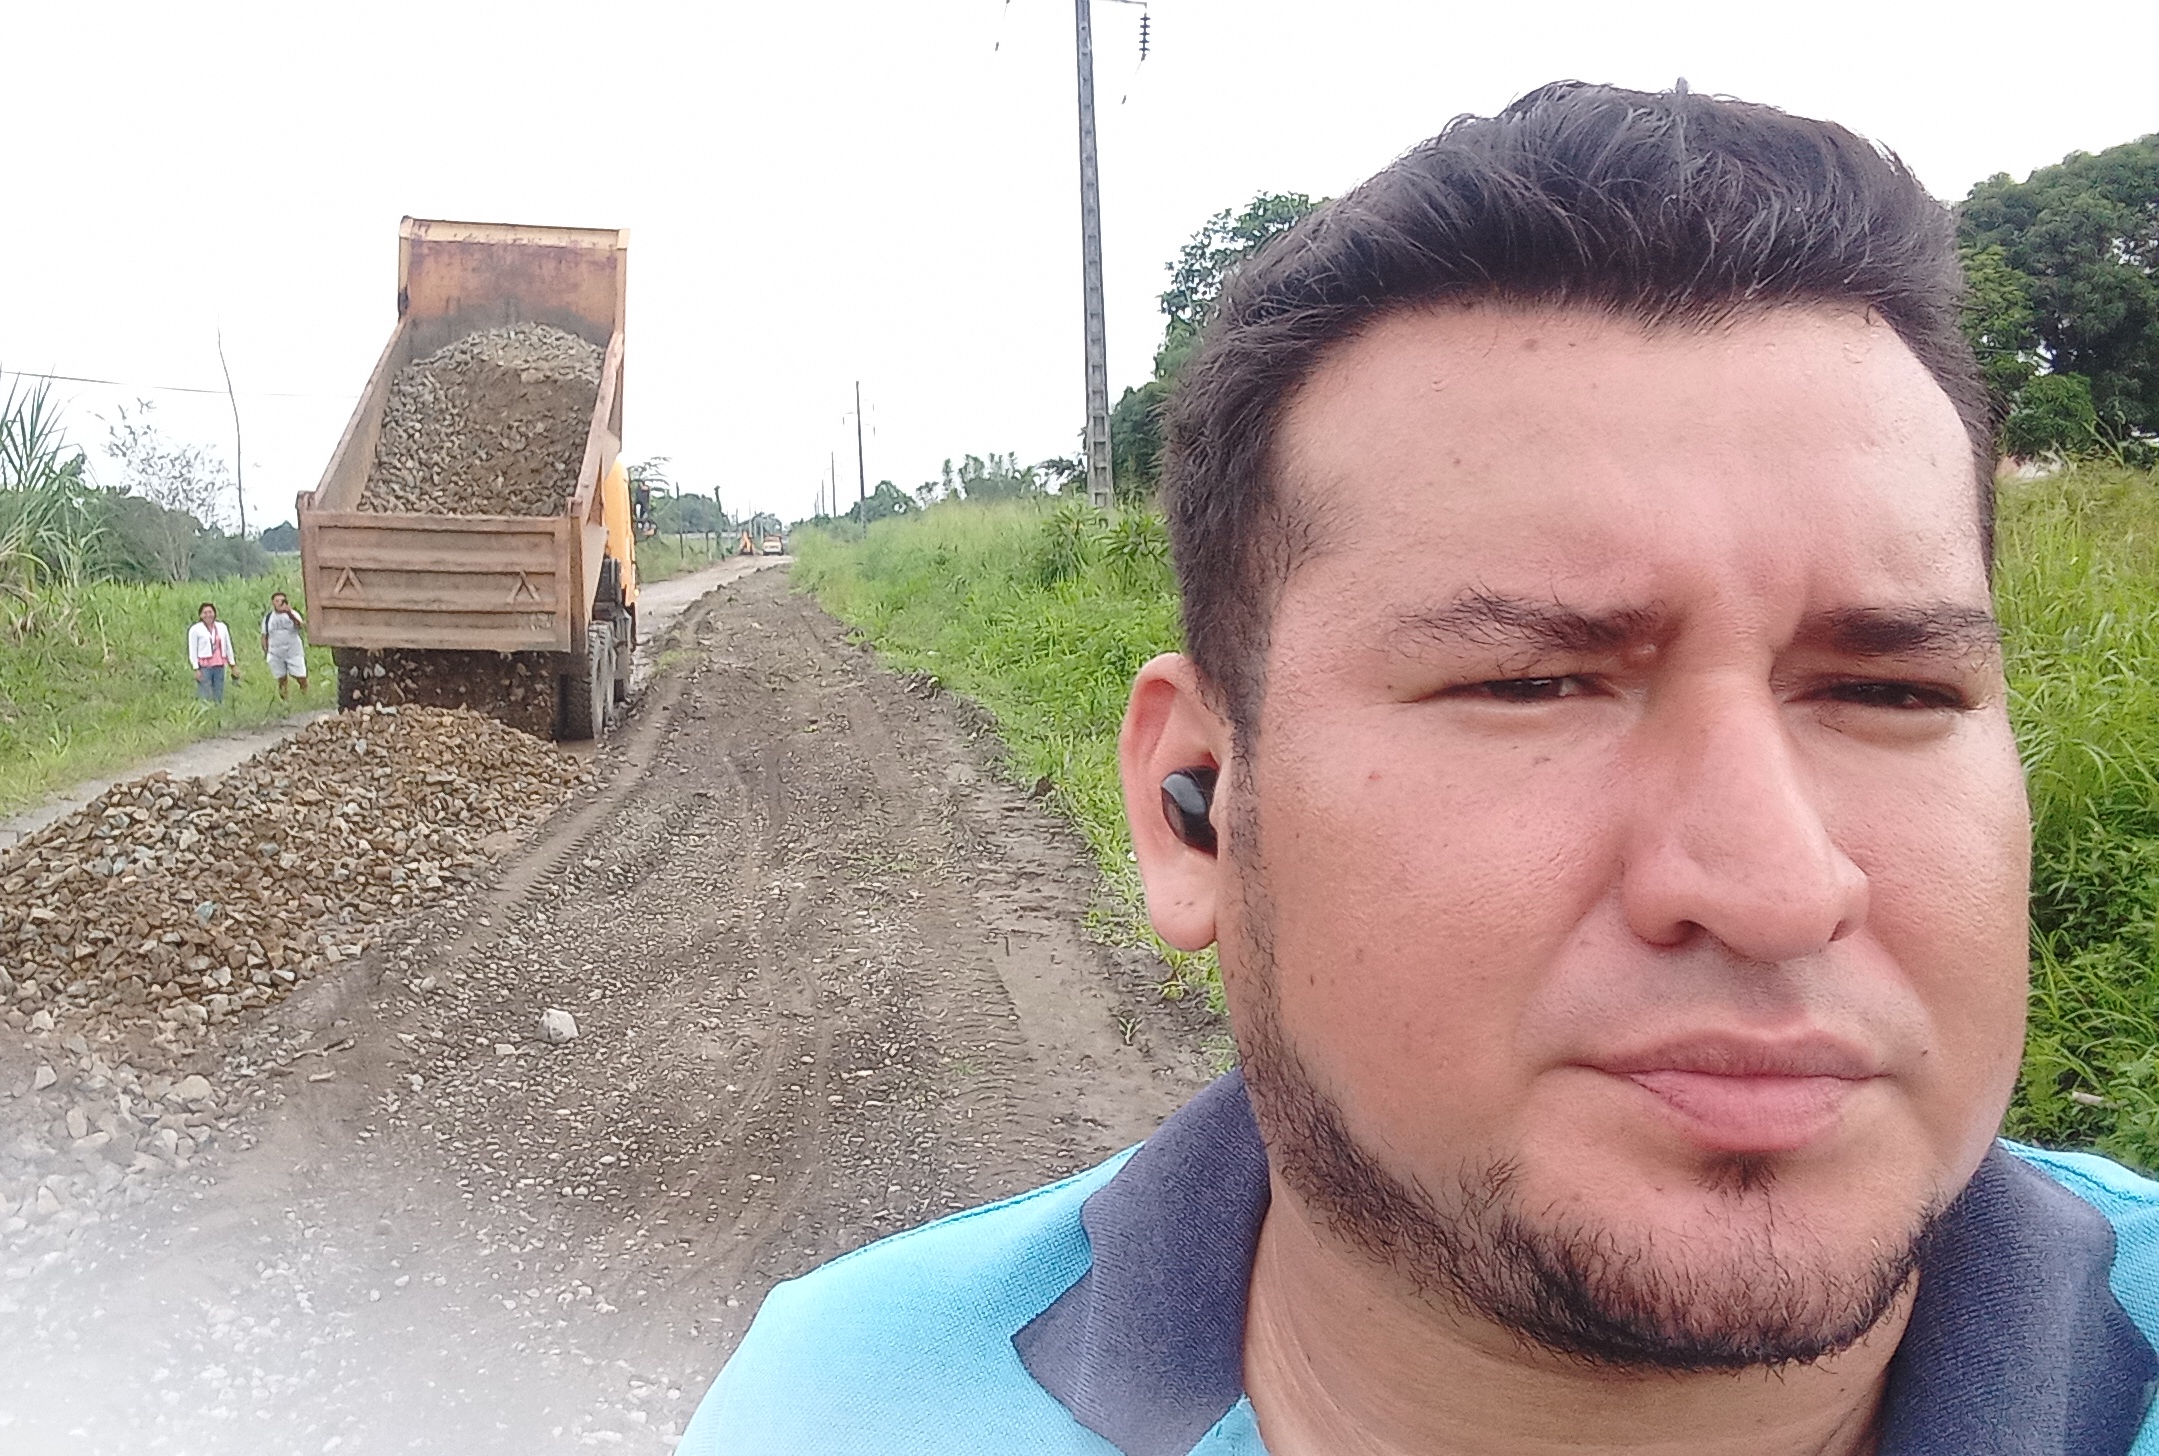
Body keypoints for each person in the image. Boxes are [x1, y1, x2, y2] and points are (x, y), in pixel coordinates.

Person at [677, 82, 2159, 1455]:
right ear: (1195, 811)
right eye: (1532, 683)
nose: (1777, 888)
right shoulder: (839, 1408)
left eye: (1893, 690)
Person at [260, 590, 309, 698]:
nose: (279, 603)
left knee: (300, 676)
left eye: (282, 600)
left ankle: (305, 695)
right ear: (273, 603)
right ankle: (284, 700)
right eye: (277, 601)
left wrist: (289, 613)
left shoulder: (293, 614)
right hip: (276, 652)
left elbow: (301, 626)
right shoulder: (268, 618)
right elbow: (264, 635)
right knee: (281, 678)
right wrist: (266, 650)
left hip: (293, 651)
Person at [186, 601, 237, 704]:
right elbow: (192, 650)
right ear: (200, 615)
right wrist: (196, 668)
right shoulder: (195, 629)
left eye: (210, 612)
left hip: (219, 664)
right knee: (205, 692)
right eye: (205, 613)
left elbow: (228, 646)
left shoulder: (222, 627)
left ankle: (218, 710)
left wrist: (232, 664)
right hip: (204, 666)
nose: (208, 615)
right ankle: (205, 710)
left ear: (214, 613)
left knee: (218, 692)